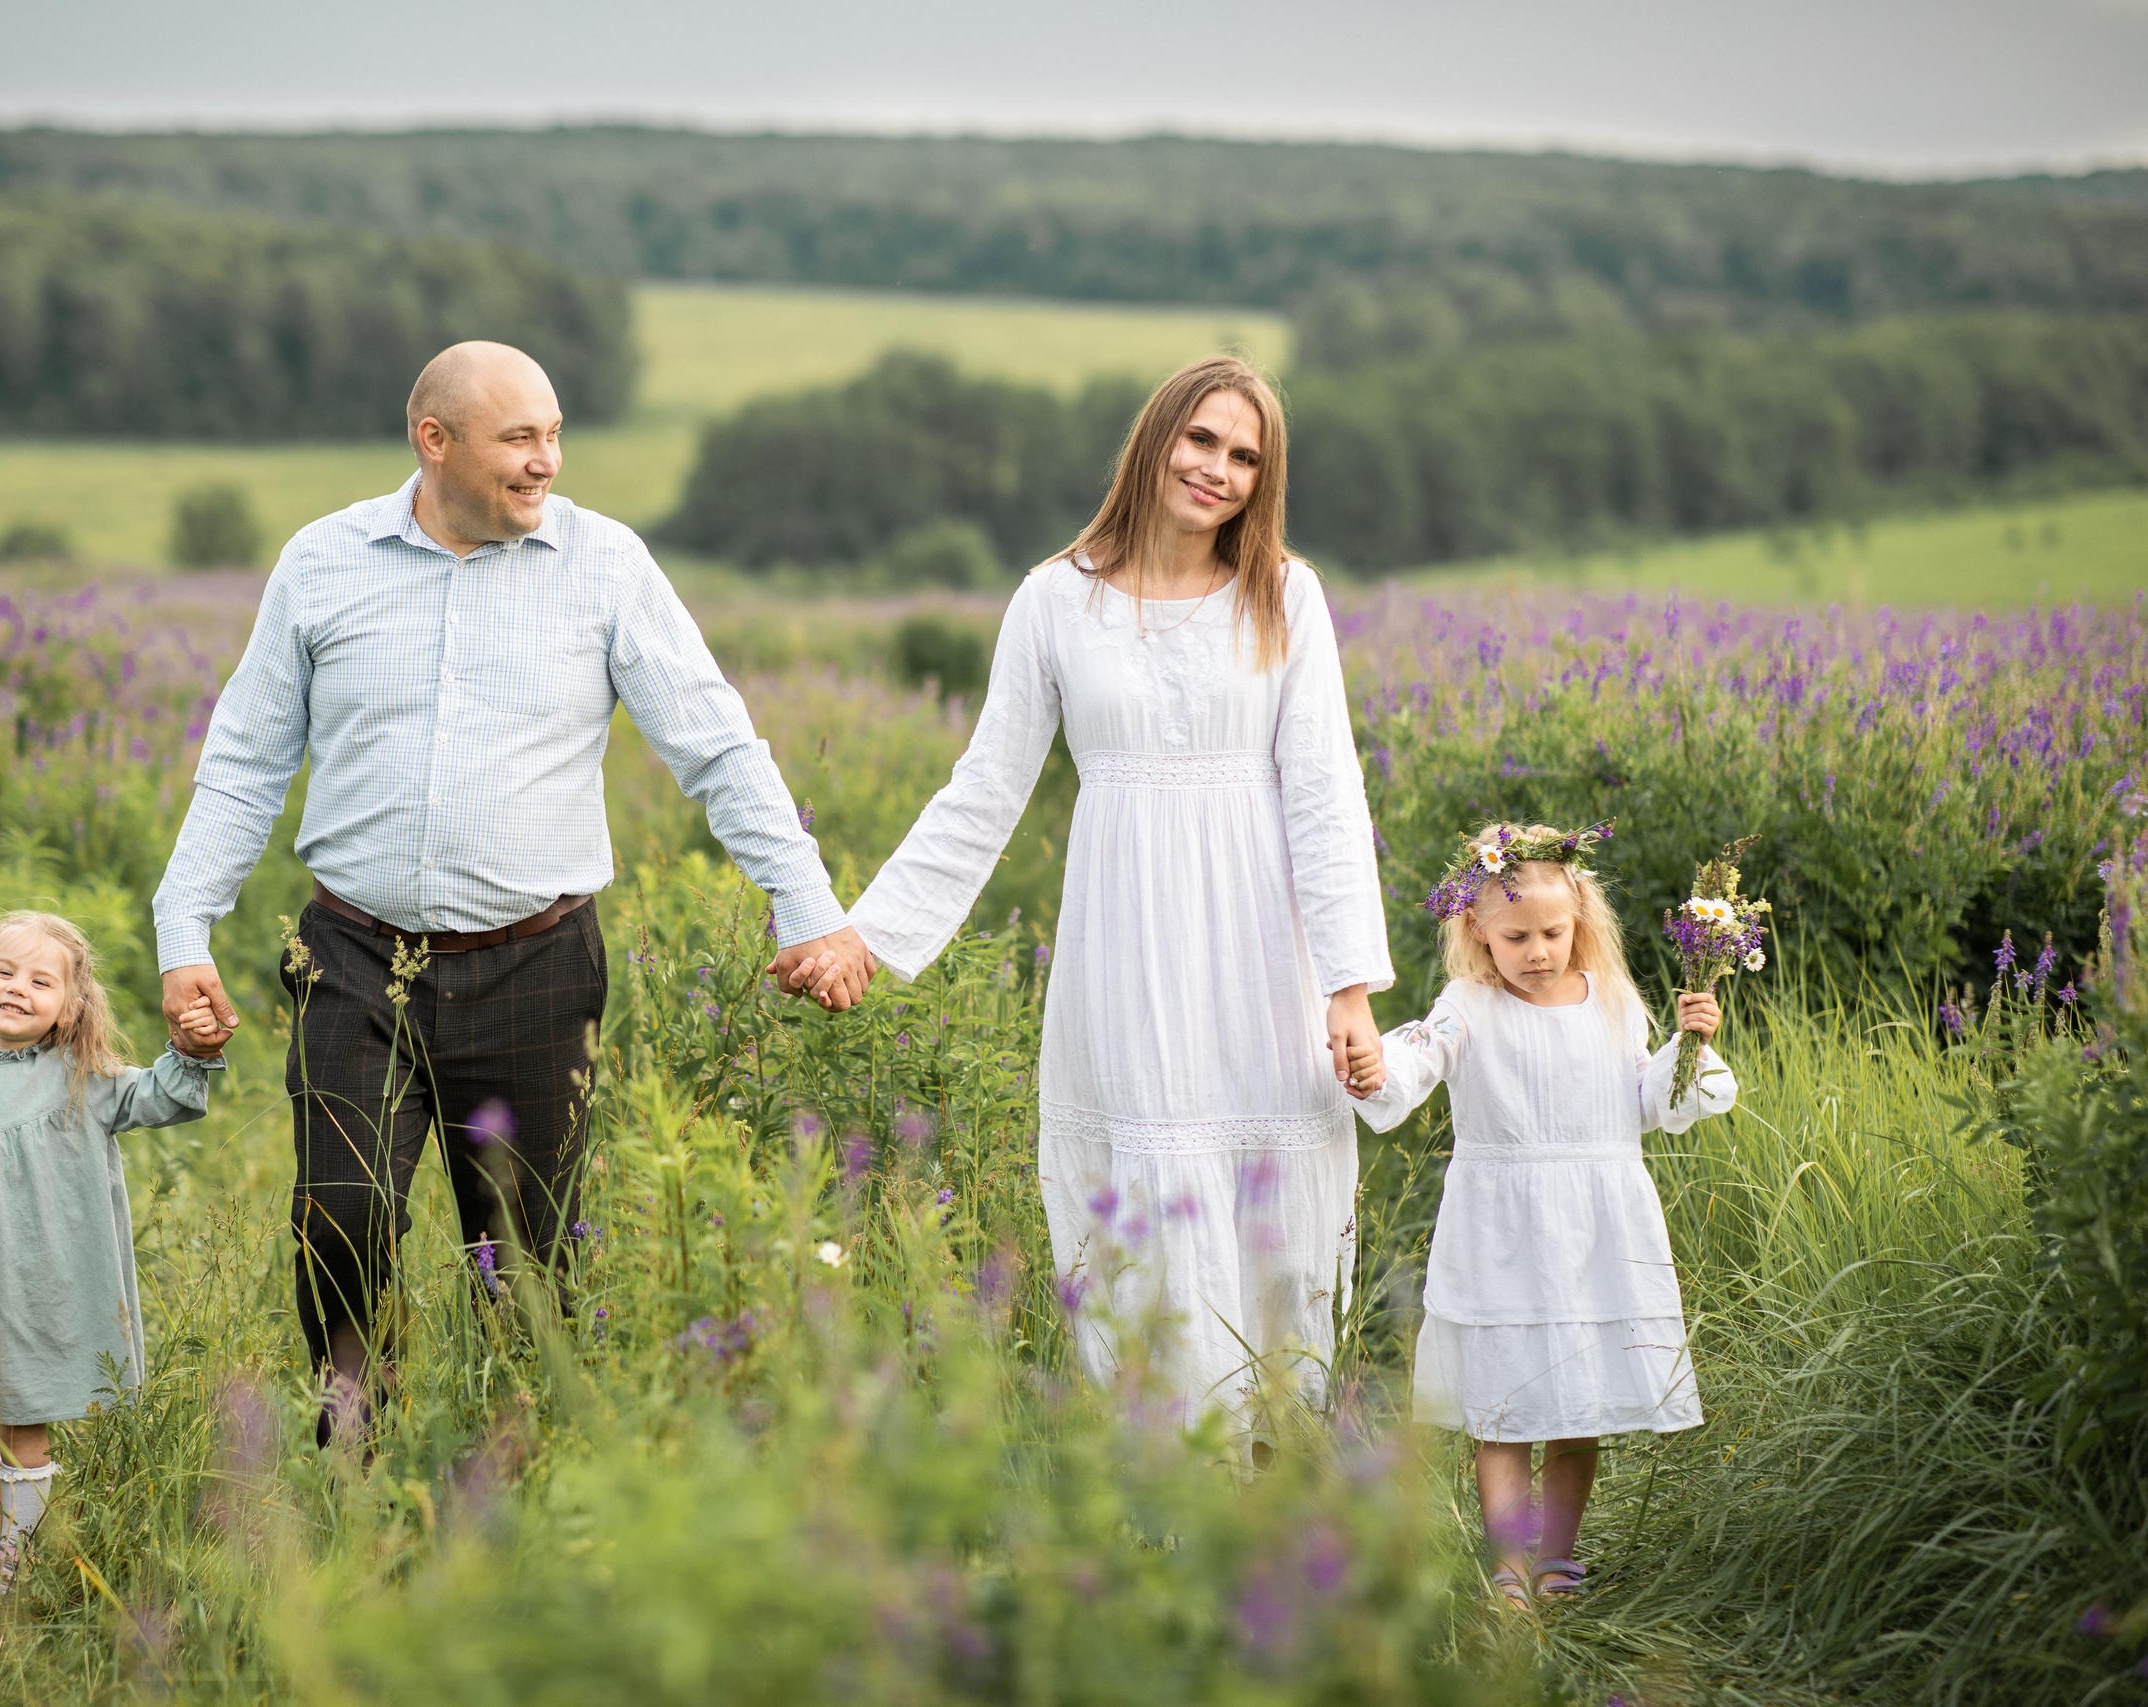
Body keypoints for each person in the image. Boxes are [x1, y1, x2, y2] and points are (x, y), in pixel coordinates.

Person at [154, 341, 876, 1446]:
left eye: (554, 435)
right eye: (519, 438)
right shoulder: (322, 562)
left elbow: (717, 748)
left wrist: (809, 905)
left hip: (537, 968)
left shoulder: (606, 565)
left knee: (531, 1267)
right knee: (339, 1220)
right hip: (354, 961)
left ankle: (520, 1474)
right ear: (433, 441)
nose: (546, 461)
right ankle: (357, 1464)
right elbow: (246, 760)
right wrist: (183, 929)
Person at [819, 354, 1393, 1429]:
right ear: (1156, 438)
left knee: (1269, 1197)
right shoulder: (1056, 598)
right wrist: (867, 935)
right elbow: (985, 787)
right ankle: (1174, 1464)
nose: (1216, 469)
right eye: (1201, 439)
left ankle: (1277, 1463)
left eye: (1244, 457)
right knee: (1149, 1185)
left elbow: (1324, 789)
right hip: (1125, 939)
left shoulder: (1285, 595)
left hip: (1260, 945)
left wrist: (1349, 986)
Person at [1344, 823, 1735, 1606]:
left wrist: (1688, 1045)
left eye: (1552, 933)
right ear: (1477, 931)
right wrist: (1376, 1064)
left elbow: (1645, 1101)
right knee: (1505, 1404)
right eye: (1516, 936)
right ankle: (1509, 1568)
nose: (1537, 951)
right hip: (1503, 1231)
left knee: (1575, 1405)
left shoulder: (1613, 1001)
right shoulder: (1469, 1006)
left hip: (1594, 1229)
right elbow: (1421, 1054)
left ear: (1578, 920)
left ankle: (1556, 1558)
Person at [0, 911, 225, 1586]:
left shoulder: (83, 1075)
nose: (17, 988)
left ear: (71, 1006)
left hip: (39, 1279)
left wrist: (191, 1049)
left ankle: (13, 1558)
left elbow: (161, 1095)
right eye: (4, 971)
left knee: (24, 1413)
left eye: (40, 981)